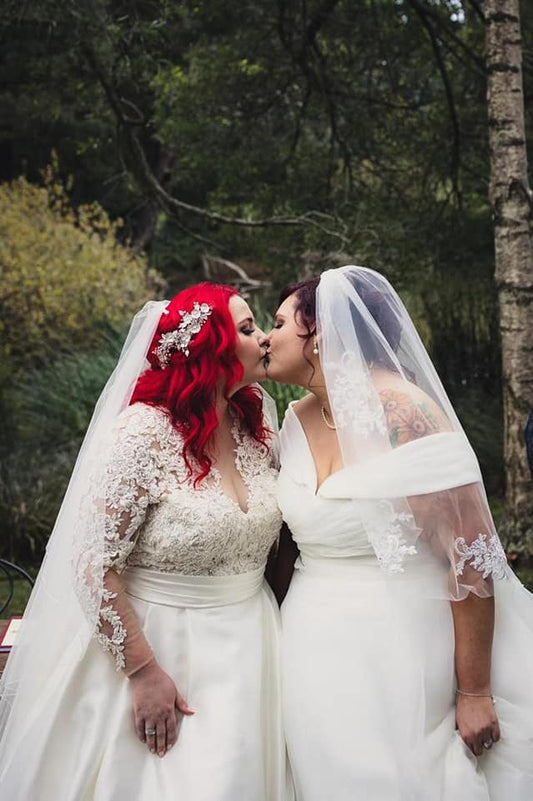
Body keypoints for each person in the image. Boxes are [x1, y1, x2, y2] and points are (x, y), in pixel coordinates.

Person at [0, 283, 288, 801]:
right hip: (163, 647)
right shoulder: (143, 433)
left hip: (255, 645)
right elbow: (91, 562)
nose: (265, 337)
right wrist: (144, 671)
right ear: (211, 348)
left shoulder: (257, 420)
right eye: (247, 328)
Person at [266, 265, 533, 801]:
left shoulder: (407, 413)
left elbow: (473, 556)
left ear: (317, 333)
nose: (267, 340)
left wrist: (475, 691)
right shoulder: (293, 418)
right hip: (311, 649)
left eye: (277, 323)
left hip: (403, 646)